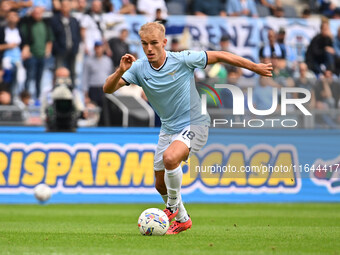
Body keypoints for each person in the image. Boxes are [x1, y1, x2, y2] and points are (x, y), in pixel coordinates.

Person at [103, 22, 272, 235]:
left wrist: (254, 67)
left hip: (195, 123)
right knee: (159, 184)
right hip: (168, 128)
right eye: (145, 44)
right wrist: (120, 70)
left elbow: (220, 55)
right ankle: (182, 219)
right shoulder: (138, 68)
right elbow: (108, 89)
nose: (149, 49)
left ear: (164, 43)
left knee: (171, 157)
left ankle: (172, 207)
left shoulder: (182, 59)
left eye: (154, 43)